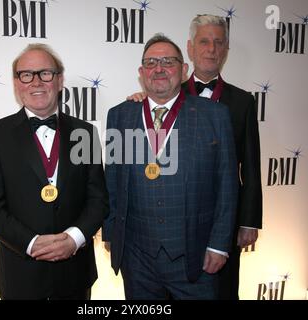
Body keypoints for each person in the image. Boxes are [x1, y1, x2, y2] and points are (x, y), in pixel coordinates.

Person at [127, 15, 263, 300]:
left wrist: (249, 220)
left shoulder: (242, 101)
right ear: (189, 49)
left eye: (218, 42)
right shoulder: (164, 91)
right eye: (204, 41)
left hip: (222, 223)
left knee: (222, 291)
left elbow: (250, 165)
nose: (211, 49)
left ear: (226, 49)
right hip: (174, 228)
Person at [102, 33, 238, 299]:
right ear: (141, 72)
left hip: (196, 257)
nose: (159, 69)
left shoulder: (215, 115)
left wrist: (219, 245)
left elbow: (228, 184)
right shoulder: (120, 115)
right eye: (151, 63)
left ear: (184, 69)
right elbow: (113, 179)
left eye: (168, 61)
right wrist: (111, 233)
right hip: (137, 258)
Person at [0, 43, 109, 300]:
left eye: (45, 73)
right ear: (16, 83)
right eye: (26, 74)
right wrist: (32, 243)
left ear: (59, 80)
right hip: (20, 276)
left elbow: (98, 199)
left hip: (75, 274)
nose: (36, 82)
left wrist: (74, 238)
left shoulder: (85, 133)